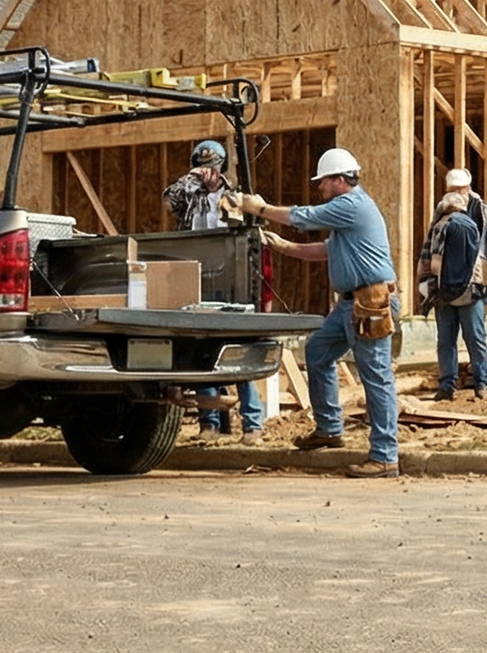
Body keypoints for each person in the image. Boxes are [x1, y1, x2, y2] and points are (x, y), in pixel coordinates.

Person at [229, 147, 401, 478]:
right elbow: (325, 250)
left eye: (323, 182)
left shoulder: (350, 205)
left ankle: (385, 456)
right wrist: (283, 246)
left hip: (371, 302)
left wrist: (260, 208)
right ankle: (330, 428)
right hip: (352, 303)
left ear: (339, 180)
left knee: (376, 377)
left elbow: (303, 217)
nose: (320, 188)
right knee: (318, 351)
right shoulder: (348, 214)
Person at [161, 139, 263, 443]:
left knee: (239, 348)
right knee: (200, 349)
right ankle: (209, 423)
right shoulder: (188, 195)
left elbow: (251, 227)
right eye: (203, 168)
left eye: (213, 168)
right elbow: (168, 198)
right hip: (196, 278)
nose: (209, 175)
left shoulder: (237, 196)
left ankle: (252, 424)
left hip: (232, 280)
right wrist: (191, 177)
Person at [418, 167, 487, 401]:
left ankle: (481, 383)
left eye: (460, 189)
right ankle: (447, 385)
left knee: (474, 336)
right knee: (445, 339)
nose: (456, 193)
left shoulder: (480, 210)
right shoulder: (442, 212)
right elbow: (430, 245)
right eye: (452, 189)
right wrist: (425, 278)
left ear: (468, 188)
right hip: (444, 286)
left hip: (473, 284)